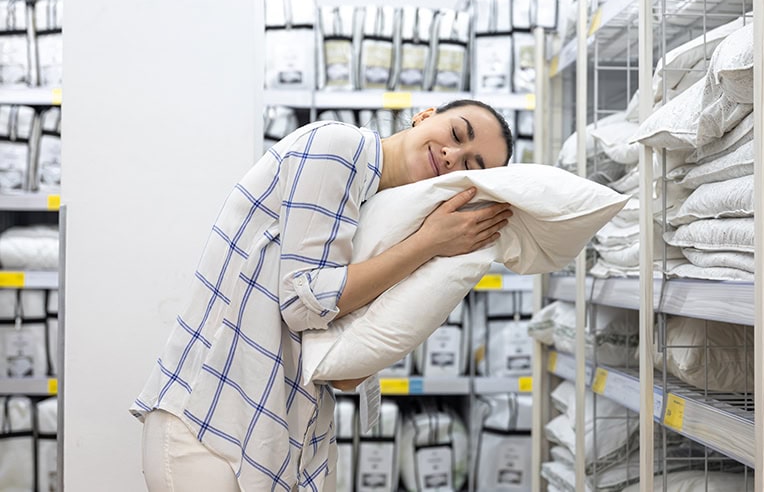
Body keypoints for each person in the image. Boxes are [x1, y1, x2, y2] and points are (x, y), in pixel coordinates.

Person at [131, 99, 514, 491]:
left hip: (277, 432)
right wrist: (428, 244)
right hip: (210, 422)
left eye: (471, 167)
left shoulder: (385, 214)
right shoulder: (338, 148)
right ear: (425, 116)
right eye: (456, 134)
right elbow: (301, 304)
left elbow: (345, 375)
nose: (453, 157)